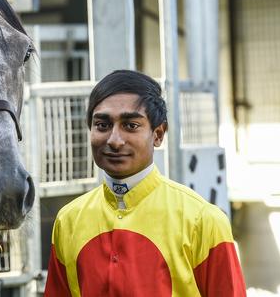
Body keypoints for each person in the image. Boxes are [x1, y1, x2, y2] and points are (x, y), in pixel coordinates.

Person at [44, 70, 246, 296]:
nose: (114, 140)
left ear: (158, 134)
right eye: (102, 125)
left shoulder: (203, 220)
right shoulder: (68, 220)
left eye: (130, 125)